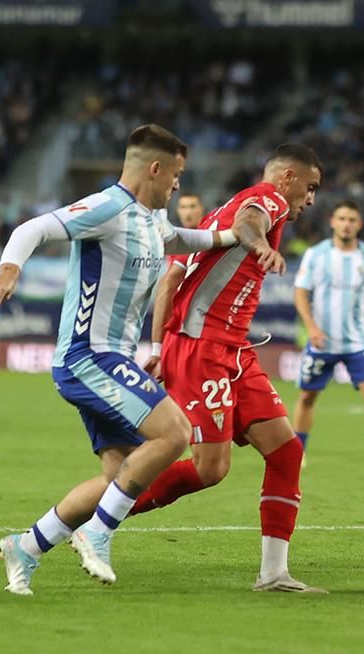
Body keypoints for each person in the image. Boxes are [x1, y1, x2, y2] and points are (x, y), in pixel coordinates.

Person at [0, 124, 243, 596]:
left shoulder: (151, 219)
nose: (178, 185)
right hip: (88, 356)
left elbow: (184, 239)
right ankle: (98, 532)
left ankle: (27, 545)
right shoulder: (107, 207)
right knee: (177, 432)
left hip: (113, 359)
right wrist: (8, 270)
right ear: (155, 169)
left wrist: (231, 237)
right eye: (177, 175)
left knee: (119, 476)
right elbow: (33, 228)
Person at [128, 144, 326, 593]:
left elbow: (172, 280)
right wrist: (261, 248)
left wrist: (159, 344)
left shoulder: (214, 214)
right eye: (310, 188)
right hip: (204, 349)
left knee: (286, 451)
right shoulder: (267, 199)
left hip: (230, 349)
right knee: (209, 468)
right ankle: (99, 516)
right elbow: (249, 224)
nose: (310, 200)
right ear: (289, 177)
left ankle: (274, 573)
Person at [291, 200, 364, 472]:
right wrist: (312, 327)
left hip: (358, 340)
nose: (346, 224)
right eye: (342, 218)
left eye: (352, 219)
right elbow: (300, 292)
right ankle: (297, 452)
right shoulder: (316, 255)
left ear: (359, 224)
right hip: (322, 339)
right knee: (308, 396)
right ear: (333, 221)